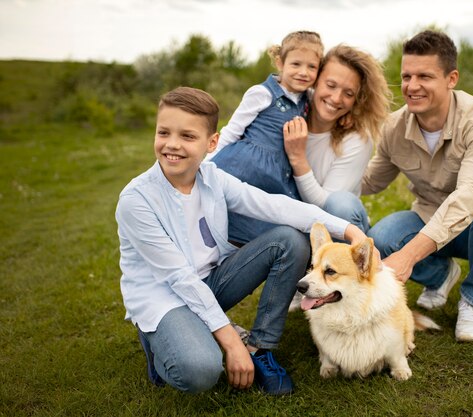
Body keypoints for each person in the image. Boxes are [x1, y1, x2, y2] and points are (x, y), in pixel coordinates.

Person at [115, 87, 368, 396]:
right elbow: (178, 278)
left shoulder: (212, 177)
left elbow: (274, 206)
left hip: (213, 281)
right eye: (164, 132)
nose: (172, 145)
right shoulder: (136, 200)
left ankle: (260, 348)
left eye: (187, 136)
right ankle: (160, 343)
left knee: (289, 241)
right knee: (200, 371)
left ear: (212, 143)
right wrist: (230, 341)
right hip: (166, 297)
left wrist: (348, 229)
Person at [361, 30, 473, 343]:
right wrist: (310, 168)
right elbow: (371, 180)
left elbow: (470, 197)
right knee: (380, 238)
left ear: (451, 79)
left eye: (425, 76)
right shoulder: (394, 126)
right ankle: (441, 275)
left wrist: (408, 256)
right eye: (407, 76)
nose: (412, 86)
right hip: (429, 217)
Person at [209, 31, 324, 244]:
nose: (303, 72)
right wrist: (205, 163)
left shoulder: (307, 98)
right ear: (280, 63)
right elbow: (232, 131)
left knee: (276, 217)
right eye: (296, 64)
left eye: (312, 67)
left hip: (277, 172)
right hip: (246, 166)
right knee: (233, 209)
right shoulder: (262, 94)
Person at [283, 44, 391, 234]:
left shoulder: (357, 140)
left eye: (348, 94)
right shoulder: (289, 109)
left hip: (336, 230)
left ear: (357, 99)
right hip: (288, 224)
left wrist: (298, 158)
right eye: (330, 85)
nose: (336, 98)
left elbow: (327, 207)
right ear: (316, 81)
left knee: (341, 203)